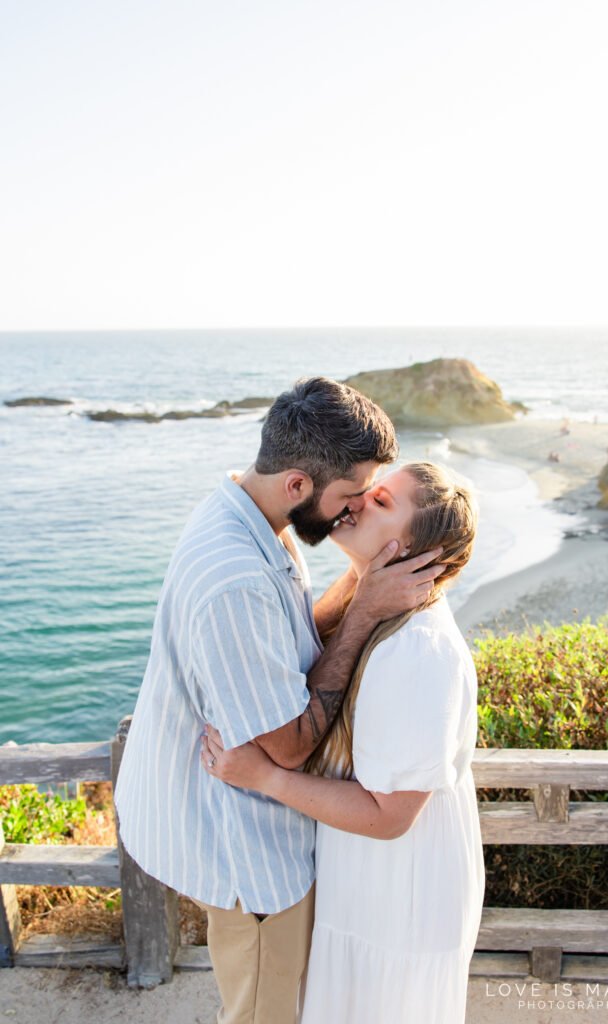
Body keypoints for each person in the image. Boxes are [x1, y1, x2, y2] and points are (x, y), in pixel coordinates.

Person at [114, 378, 446, 1024]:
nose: (351, 514)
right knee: (263, 1014)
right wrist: (363, 615)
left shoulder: (251, 511)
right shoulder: (234, 575)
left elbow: (291, 630)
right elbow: (289, 745)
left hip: (247, 833)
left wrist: (358, 586)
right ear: (298, 485)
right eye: (349, 498)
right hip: (251, 858)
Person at [201, 461, 486, 1024]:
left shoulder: (419, 653)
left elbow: (389, 817)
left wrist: (265, 776)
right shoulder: (380, 612)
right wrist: (363, 584)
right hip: (363, 876)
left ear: (412, 554)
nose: (357, 501)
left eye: (382, 503)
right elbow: (311, 647)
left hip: (399, 888)